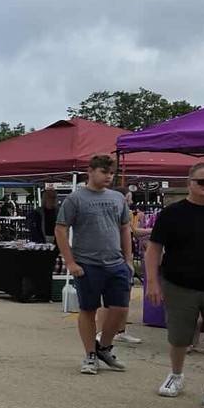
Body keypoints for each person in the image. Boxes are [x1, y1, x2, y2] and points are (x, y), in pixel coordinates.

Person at [145, 162, 204, 403]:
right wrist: (152, 282)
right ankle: (176, 375)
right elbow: (154, 250)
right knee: (179, 338)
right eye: (202, 181)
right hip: (180, 285)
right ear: (190, 183)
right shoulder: (172, 214)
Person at [55, 155, 131, 375]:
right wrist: (70, 262)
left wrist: (128, 259)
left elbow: (125, 228)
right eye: (104, 172)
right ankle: (90, 355)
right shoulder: (75, 199)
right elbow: (61, 230)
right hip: (88, 263)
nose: (108, 177)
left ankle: (104, 347)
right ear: (91, 171)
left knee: (120, 309)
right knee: (88, 310)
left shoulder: (117, 198)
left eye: (111, 173)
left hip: (115, 262)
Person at [96, 188, 152, 345]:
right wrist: (154, 230)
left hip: (123, 258)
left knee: (124, 297)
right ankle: (101, 332)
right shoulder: (114, 213)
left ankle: (120, 330)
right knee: (107, 299)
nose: (131, 202)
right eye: (128, 199)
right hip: (112, 258)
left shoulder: (125, 213)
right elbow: (134, 232)